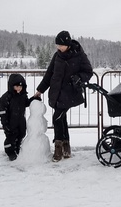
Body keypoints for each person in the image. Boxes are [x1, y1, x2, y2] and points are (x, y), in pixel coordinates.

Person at [34, 30, 93, 162]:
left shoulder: (79, 56)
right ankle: (66, 149)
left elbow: (89, 72)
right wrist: (40, 90)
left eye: (60, 45)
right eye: (57, 45)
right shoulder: (57, 56)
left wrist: (78, 77)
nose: (58, 47)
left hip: (70, 93)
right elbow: (49, 74)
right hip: (57, 93)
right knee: (61, 119)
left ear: (67, 44)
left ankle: (59, 149)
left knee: (57, 118)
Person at [0, 73, 40, 161]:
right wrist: (5, 124)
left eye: (21, 86)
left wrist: (34, 98)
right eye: (17, 86)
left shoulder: (22, 96)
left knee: (21, 134)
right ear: (11, 86)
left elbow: (26, 103)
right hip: (10, 121)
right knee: (11, 137)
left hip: (21, 120)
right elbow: (3, 113)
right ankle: (10, 151)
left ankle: (17, 148)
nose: (19, 88)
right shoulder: (5, 98)